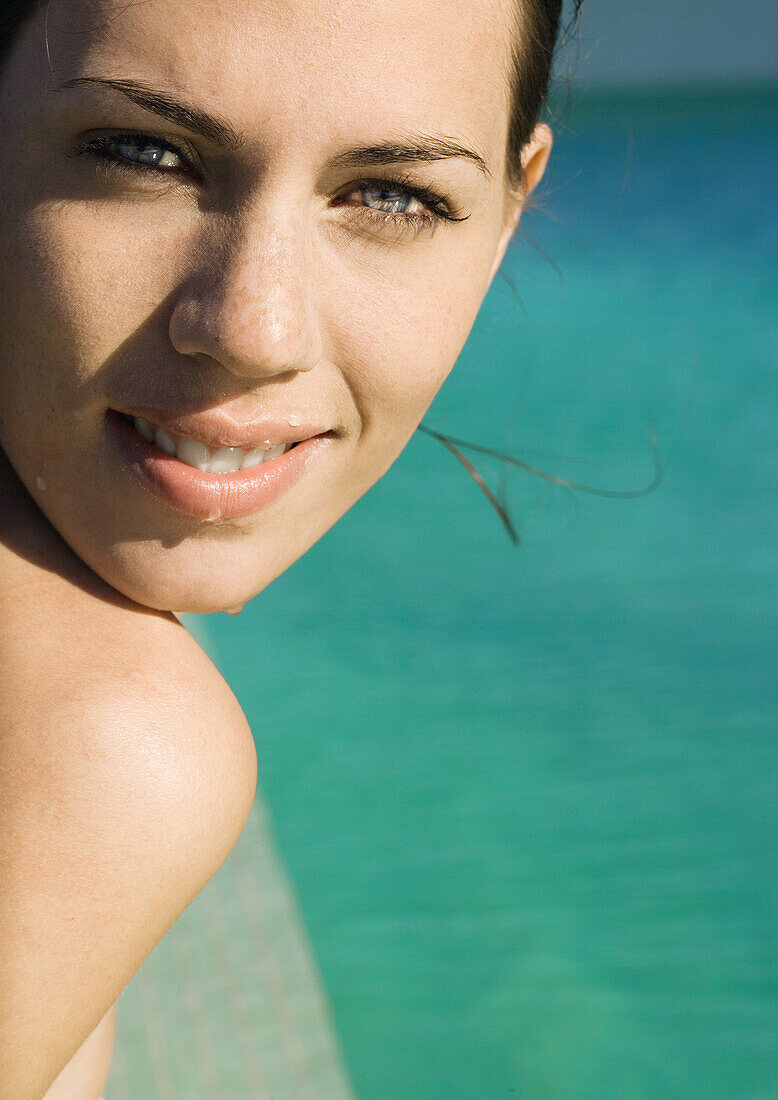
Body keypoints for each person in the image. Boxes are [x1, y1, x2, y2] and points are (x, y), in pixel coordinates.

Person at [0, 0, 579, 1095]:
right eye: (142, 152)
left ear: (511, 205)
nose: (252, 328)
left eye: (391, 195)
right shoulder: (103, 737)